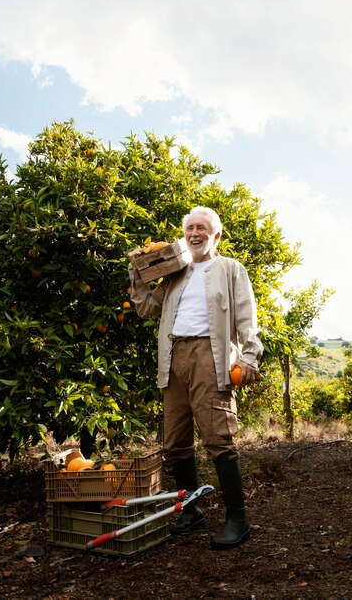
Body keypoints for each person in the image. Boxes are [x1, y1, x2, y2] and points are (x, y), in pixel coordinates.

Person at [128, 206, 263, 550]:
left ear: (216, 235)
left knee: (219, 438)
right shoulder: (177, 272)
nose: (195, 233)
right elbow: (146, 308)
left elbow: (247, 317)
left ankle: (238, 520)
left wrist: (249, 356)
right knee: (175, 443)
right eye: (190, 228)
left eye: (202, 228)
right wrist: (136, 274)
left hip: (211, 357)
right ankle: (192, 512)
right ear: (184, 235)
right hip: (174, 358)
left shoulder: (231, 269)